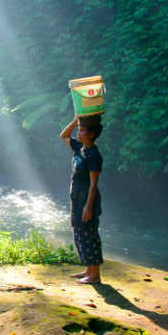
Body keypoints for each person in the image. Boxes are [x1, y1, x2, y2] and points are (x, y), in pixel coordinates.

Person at [60, 114, 104, 284]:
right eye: (78, 130)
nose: (78, 133)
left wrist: (88, 206)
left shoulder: (93, 155)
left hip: (87, 197)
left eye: (82, 131)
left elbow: (94, 183)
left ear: (92, 134)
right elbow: (64, 136)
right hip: (77, 196)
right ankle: (88, 268)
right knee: (78, 231)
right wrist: (75, 121)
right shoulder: (79, 147)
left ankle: (96, 274)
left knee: (90, 234)